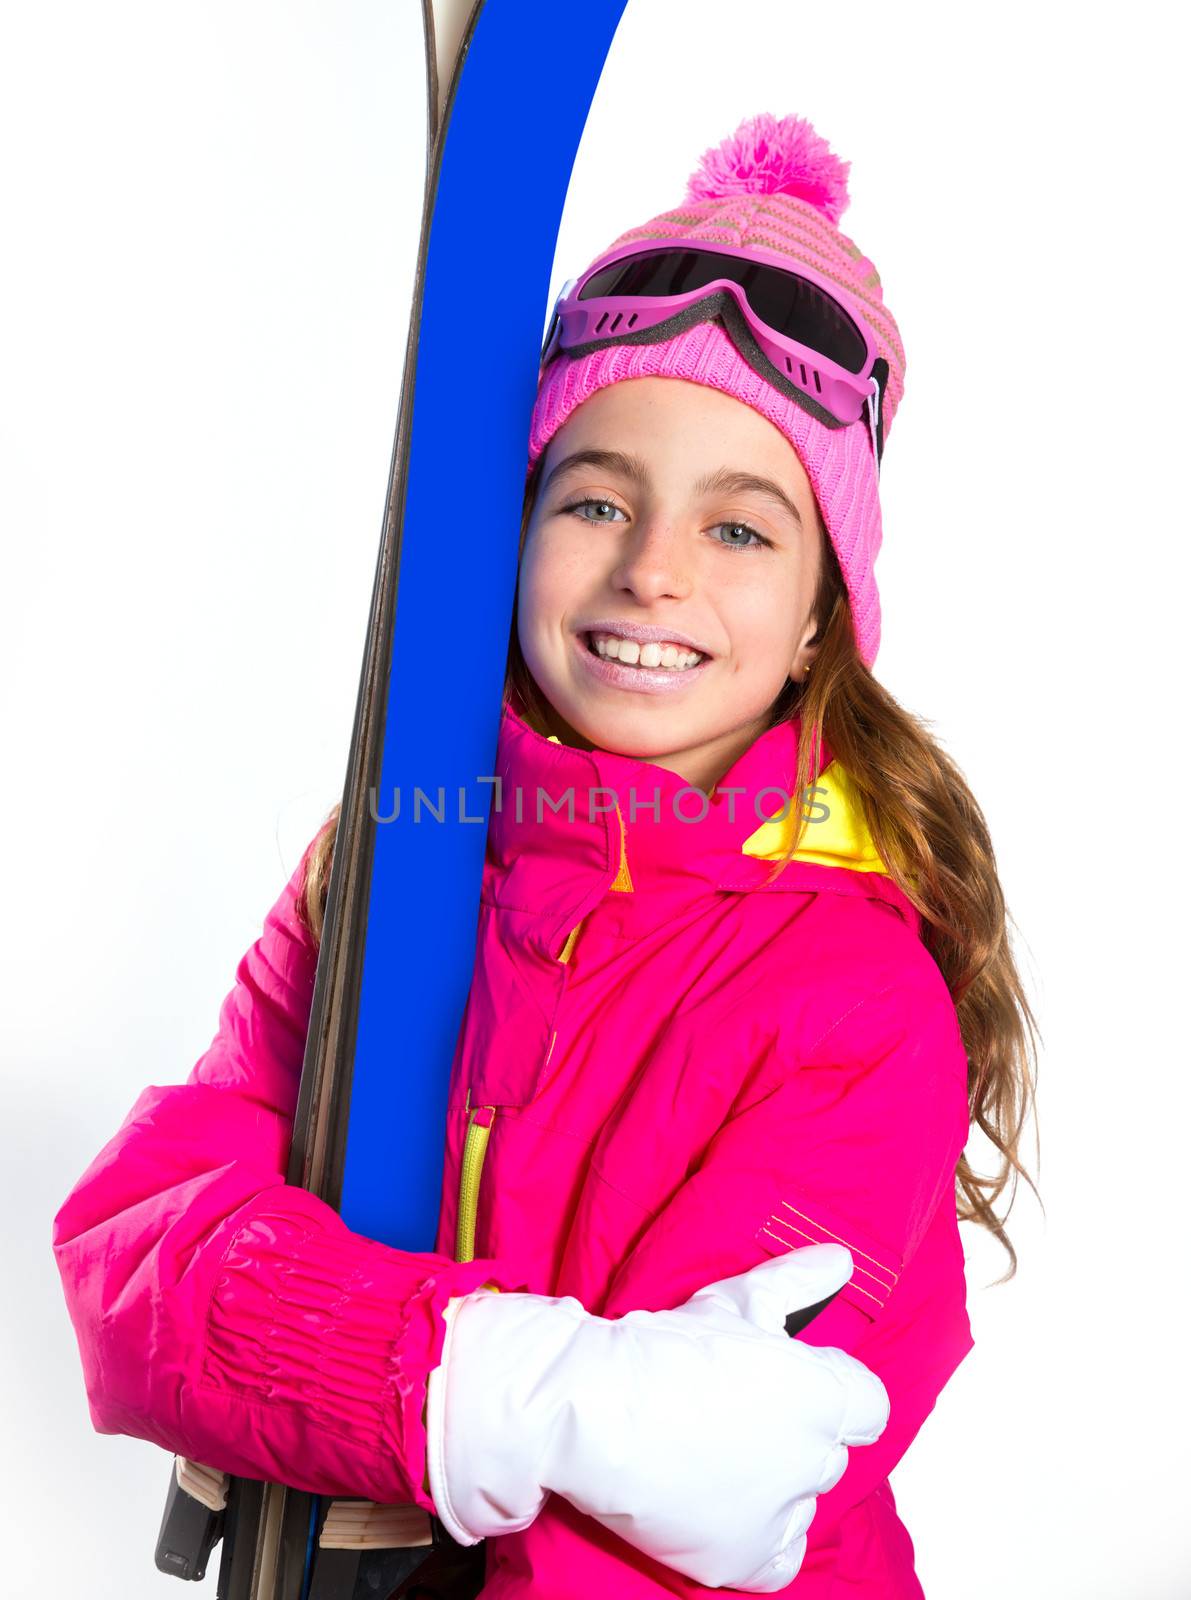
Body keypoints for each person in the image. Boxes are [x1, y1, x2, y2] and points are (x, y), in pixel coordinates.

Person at [52, 111, 1038, 1597]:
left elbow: (695, 1494)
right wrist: (494, 1391)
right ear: (508, 537)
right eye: (593, 500)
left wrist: (349, 1385)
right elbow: (141, 1261)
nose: (652, 566)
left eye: (742, 532)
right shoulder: (379, 871)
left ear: (826, 614)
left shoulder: (852, 997)